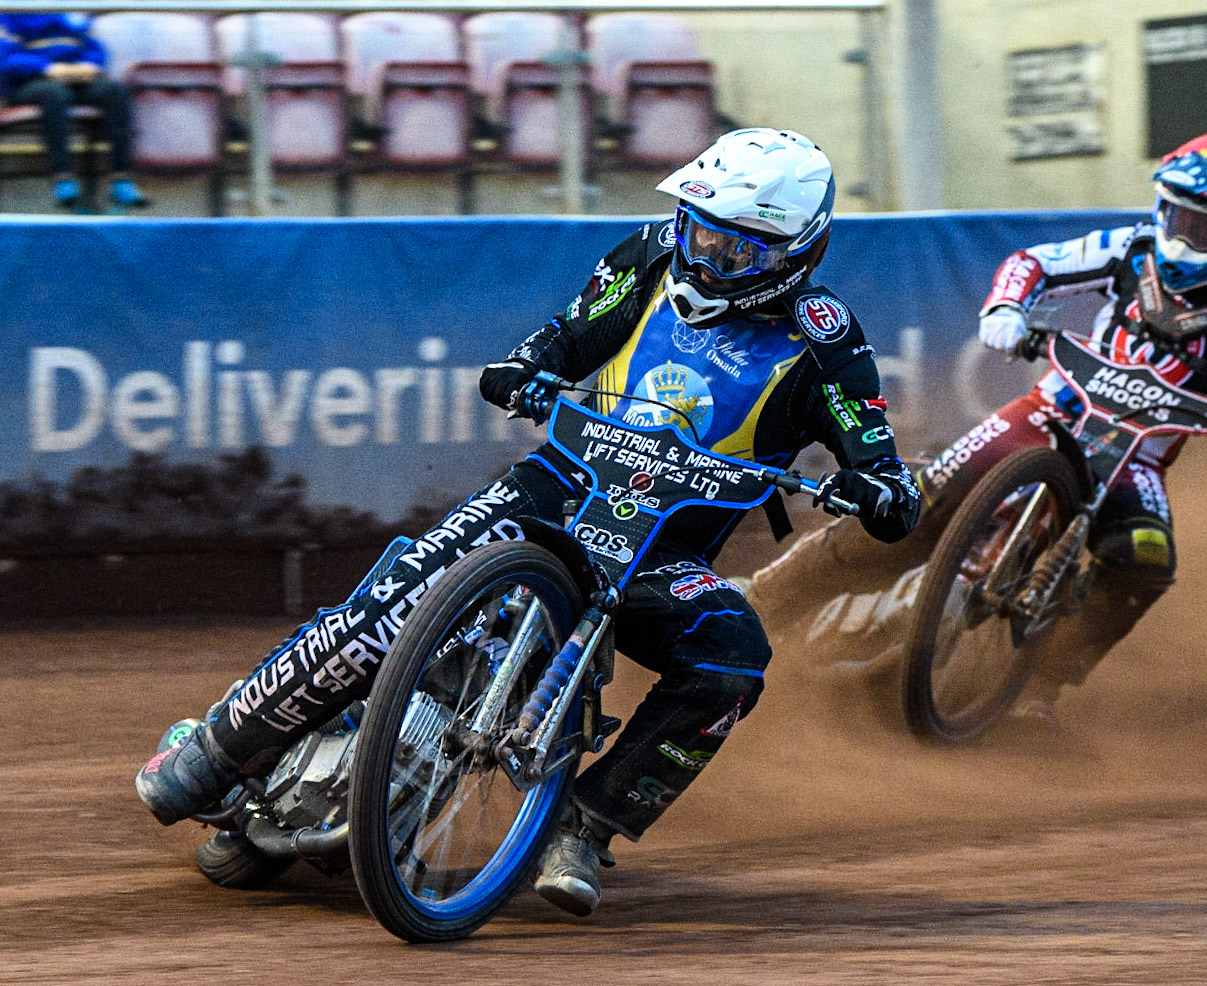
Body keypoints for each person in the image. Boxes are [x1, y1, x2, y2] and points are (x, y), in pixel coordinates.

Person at [135, 128, 920, 917]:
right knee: (395, 600)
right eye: (698, 230)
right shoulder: (645, 255)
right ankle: (218, 749)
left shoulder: (827, 341)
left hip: (660, 548)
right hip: (550, 489)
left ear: (796, 252)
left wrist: (882, 490)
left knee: (733, 655)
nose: (707, 258)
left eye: (737, 252)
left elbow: (879, 458)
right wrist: (524, 365)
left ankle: (585, 824)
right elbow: (569, 332)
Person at [749, 131, 1207, 724]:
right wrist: (1007, 307)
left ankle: (1038, 688)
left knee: (1144, 559)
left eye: (1206, 228)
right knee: (919, 502)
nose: (1183, 237)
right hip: (1051, 411)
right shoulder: (1132, 249)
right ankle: (769, 596)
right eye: (1177, 216)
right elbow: (1034, 263)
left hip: (1137, 460)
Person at [0, 13, 147, 212]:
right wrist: (47, 68)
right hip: (30, 83)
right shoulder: (15, 11)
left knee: (116, 91)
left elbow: (94, 47)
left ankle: (122, 179)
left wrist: (90, 66)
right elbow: (7, 58)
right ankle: (63, 178)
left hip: (76, 80)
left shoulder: (70, 11)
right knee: (55, 94)